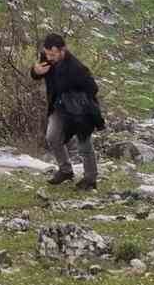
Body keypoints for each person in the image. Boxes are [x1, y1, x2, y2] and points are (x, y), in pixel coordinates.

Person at [31, 33, 104, 191]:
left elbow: (93, 88)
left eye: (53, 54)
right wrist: (36, 71)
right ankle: (65, 171)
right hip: (58, 107)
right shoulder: (46, 58)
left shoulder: (77, 68)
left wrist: (75, 98)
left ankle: (90, 179)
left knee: (84, 143)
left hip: (80, 110)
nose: (49, 58)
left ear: (62, 50)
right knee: (52, 137)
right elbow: (36, 74)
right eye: (47, 53)